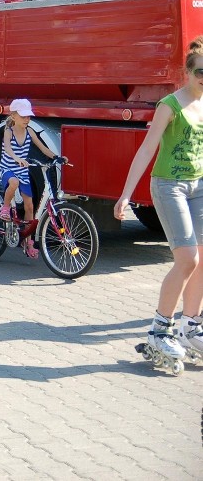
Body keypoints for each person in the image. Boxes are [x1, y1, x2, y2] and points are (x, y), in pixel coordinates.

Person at [114, 36, 203, 363]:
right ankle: (159, 331)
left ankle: (191, 326)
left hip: (199, 186)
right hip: (170, 186)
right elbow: (148, 148)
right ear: (188, 73)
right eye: (200, 73)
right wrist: (126, 193)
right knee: (187, 259)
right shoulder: (170, 104)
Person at [0, 98, 59, 258]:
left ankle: (28, 241)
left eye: (28, 116)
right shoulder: (8, 131)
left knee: (29, 206)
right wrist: (17, 158)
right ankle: (5, 208)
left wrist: (57, 157)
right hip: (7, 168)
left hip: (23, 171)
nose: (27, 119)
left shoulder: (30, 131)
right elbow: (9, 150)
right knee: (14, 182)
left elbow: (42, 147)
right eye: (23, 116)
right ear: (13, 116)